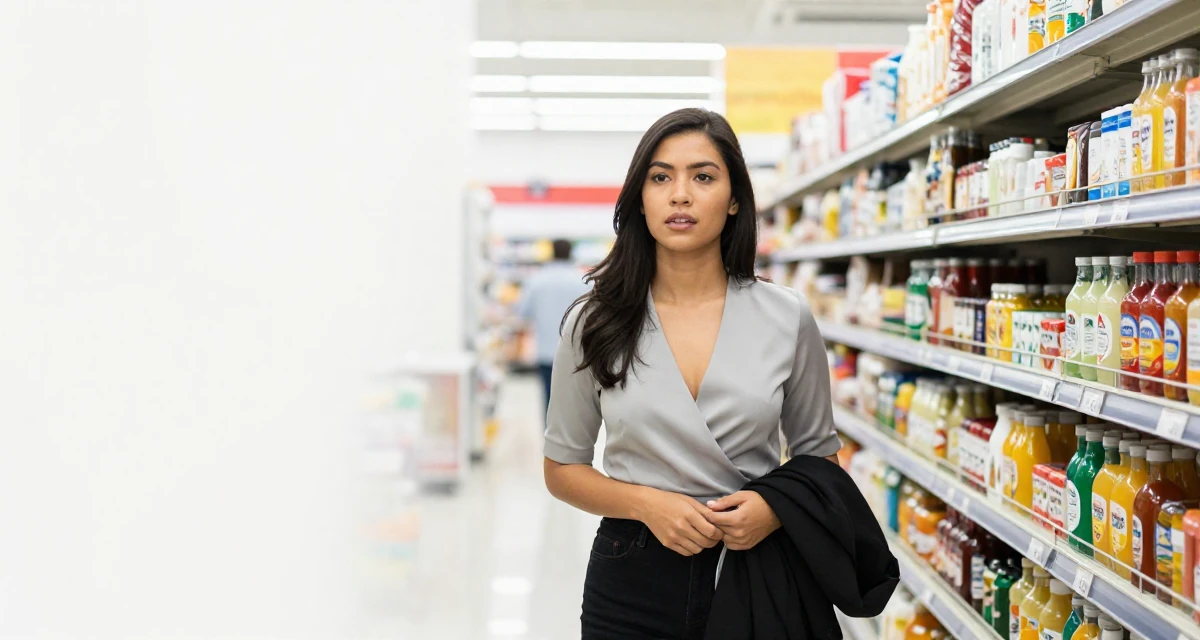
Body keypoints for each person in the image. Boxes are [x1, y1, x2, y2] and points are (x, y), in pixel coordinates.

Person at [543, 108, 844, 640]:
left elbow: (818, 457)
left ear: (733, 200)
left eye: (702, 177)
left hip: (756, 567)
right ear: (641, 197)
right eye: (661, 177)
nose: (680, 194)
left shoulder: (786, 316)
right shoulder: (593, 321)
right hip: (631, 574)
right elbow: (562, 468)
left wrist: (774, 507)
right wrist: (646, 504)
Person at [516, 238, 590, 413]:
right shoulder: (582, 281)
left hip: (546, 352)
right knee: (575, 402)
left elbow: (523, 313)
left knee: (549, 401)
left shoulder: (537, 281)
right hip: (577, 351)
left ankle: (550, 436)